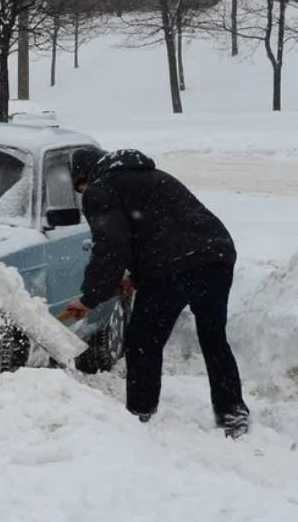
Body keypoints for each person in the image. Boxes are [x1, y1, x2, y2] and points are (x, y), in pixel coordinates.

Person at [63, 147, 250, 438]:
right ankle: (232, 412)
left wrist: (90, 298)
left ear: (85, 176)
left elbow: (110, 249)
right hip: (217, 255)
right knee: (214, 339)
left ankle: (139, 413)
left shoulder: (101, 190)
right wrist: (135, 278)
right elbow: (162, 231)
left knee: (142, 342)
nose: (83, 193)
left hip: (172, 268)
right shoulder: (152, 177)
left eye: (80, 186)